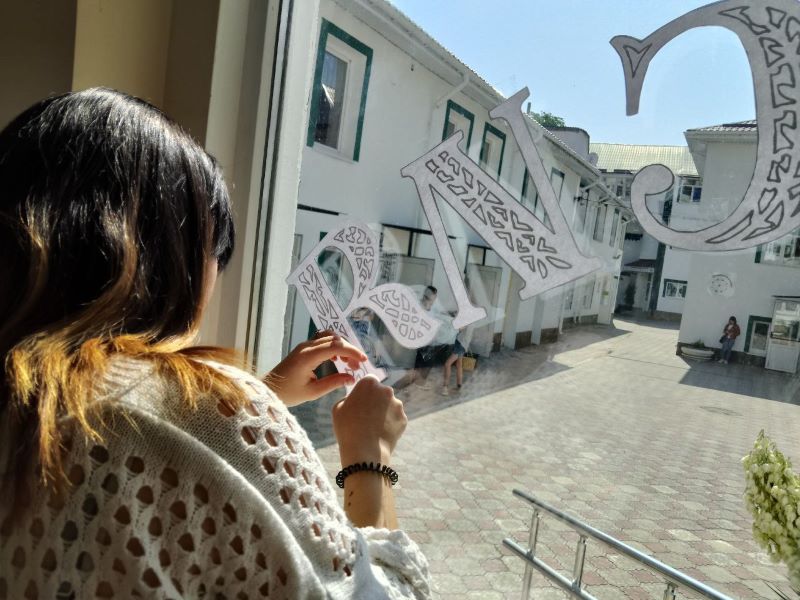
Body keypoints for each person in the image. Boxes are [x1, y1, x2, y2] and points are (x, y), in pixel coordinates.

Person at [0, 89, 429, 598]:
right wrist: (368, 453)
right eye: (214, 251)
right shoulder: (202, 405)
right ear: (172, 257)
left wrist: (260, 400)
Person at [442, 325, 473, 396]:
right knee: (459, 365)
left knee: (447, 364)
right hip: (463, 342)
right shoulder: (470, 319)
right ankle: (459, 386)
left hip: (461, 344)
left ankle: (445, 387)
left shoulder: (467, 319)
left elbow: (460, 328)